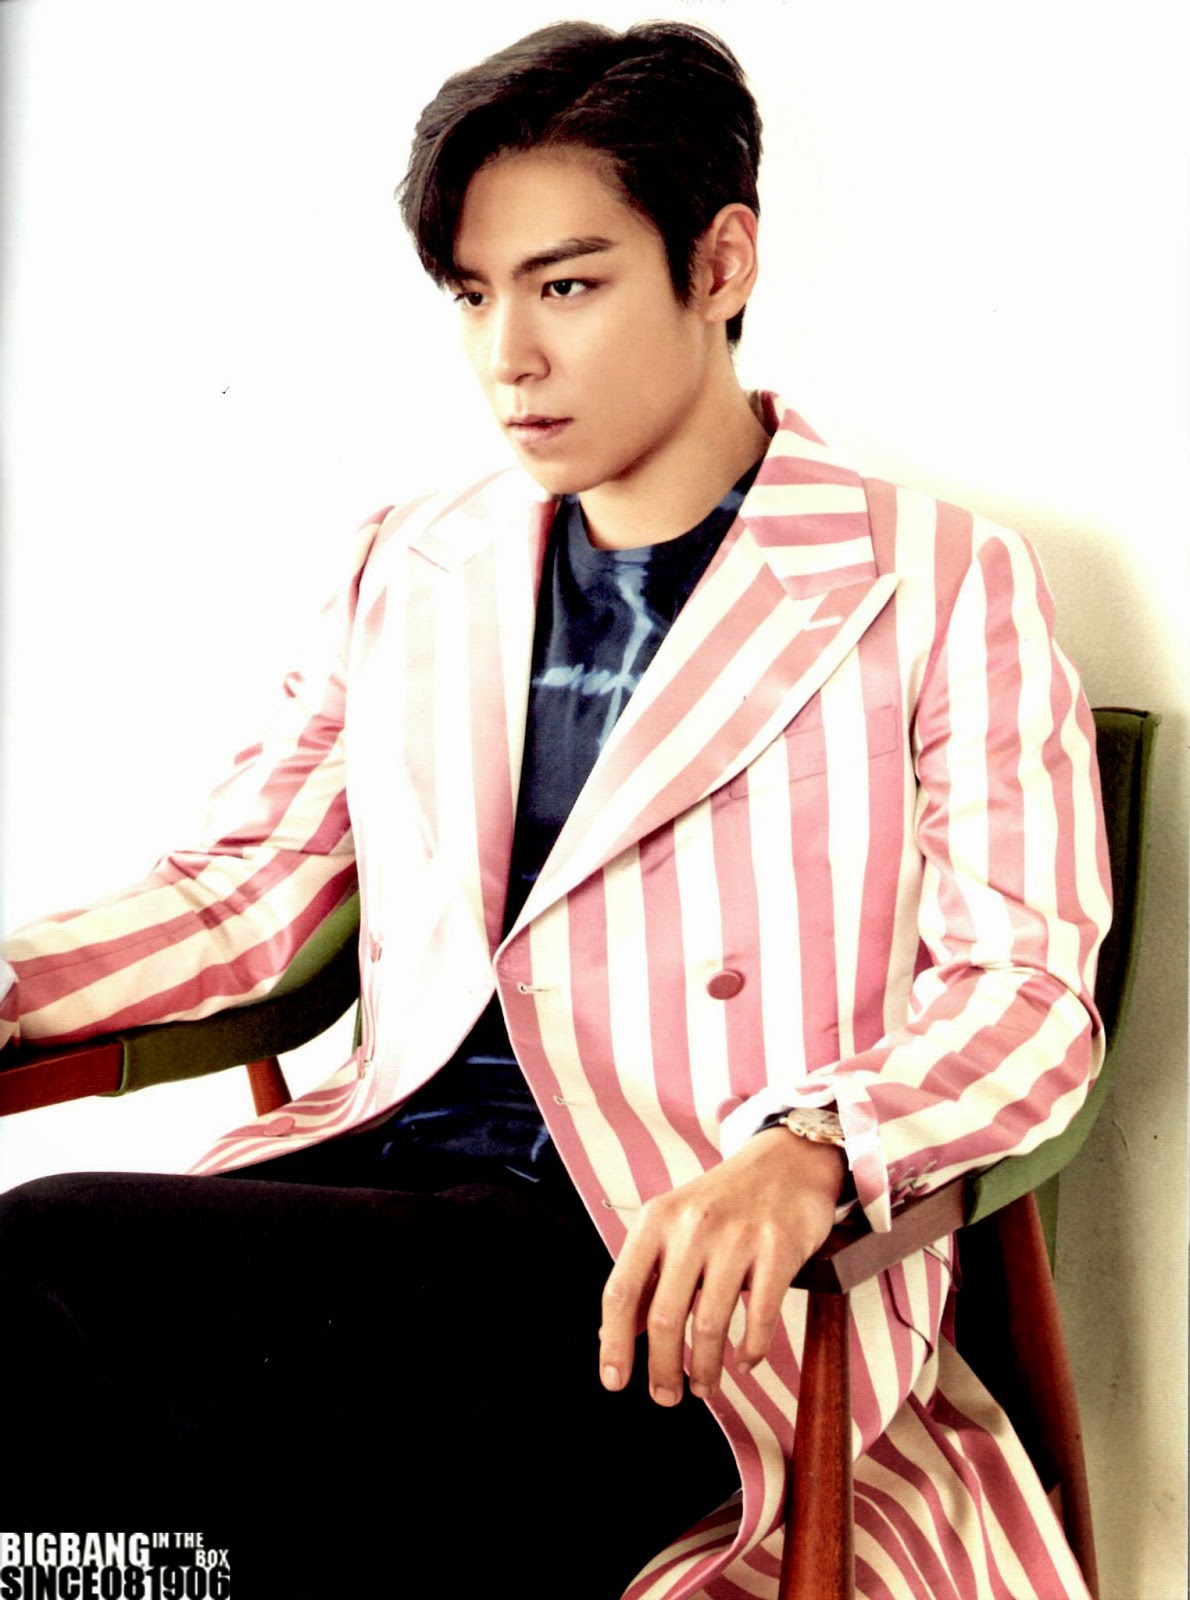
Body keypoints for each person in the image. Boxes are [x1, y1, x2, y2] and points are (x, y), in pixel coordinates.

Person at [0, 20, 1110, 1600]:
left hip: (670, 1268)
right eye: (473, 295)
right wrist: (15, 981)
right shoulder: (413, 560)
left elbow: (1023, 989)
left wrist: (813, 1148)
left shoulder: (935, 581)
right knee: (89, 1437)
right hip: (390, 1206)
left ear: (717, 262)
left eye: (566, 285)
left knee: (55, 1269)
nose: (505, 357)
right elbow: (247, 886)